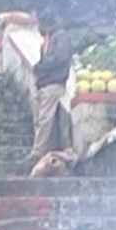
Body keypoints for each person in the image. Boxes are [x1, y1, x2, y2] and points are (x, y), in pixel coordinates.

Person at [28, 28, 74, 167]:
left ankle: (38, 152)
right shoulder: (47, 40)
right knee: (42, 119)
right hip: (44, 84)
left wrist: (42, 66)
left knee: (45, 119)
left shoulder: (61, 36)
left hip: (54, 83)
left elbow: (61, 58)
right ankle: (44, 149)